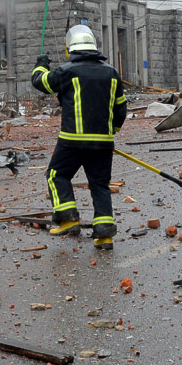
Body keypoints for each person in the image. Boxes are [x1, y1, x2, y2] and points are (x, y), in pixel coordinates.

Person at [31, 25, 127, 250]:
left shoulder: (67, 72)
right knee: (100, 186)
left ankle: (68, 218)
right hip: (103, 142)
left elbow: (40, 82)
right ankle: (104, 236)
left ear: (71, 49)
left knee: (57, 174)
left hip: (72, 140)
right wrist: (112, 130)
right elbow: (121, 108)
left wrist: (42, 64)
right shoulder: (111, 73)